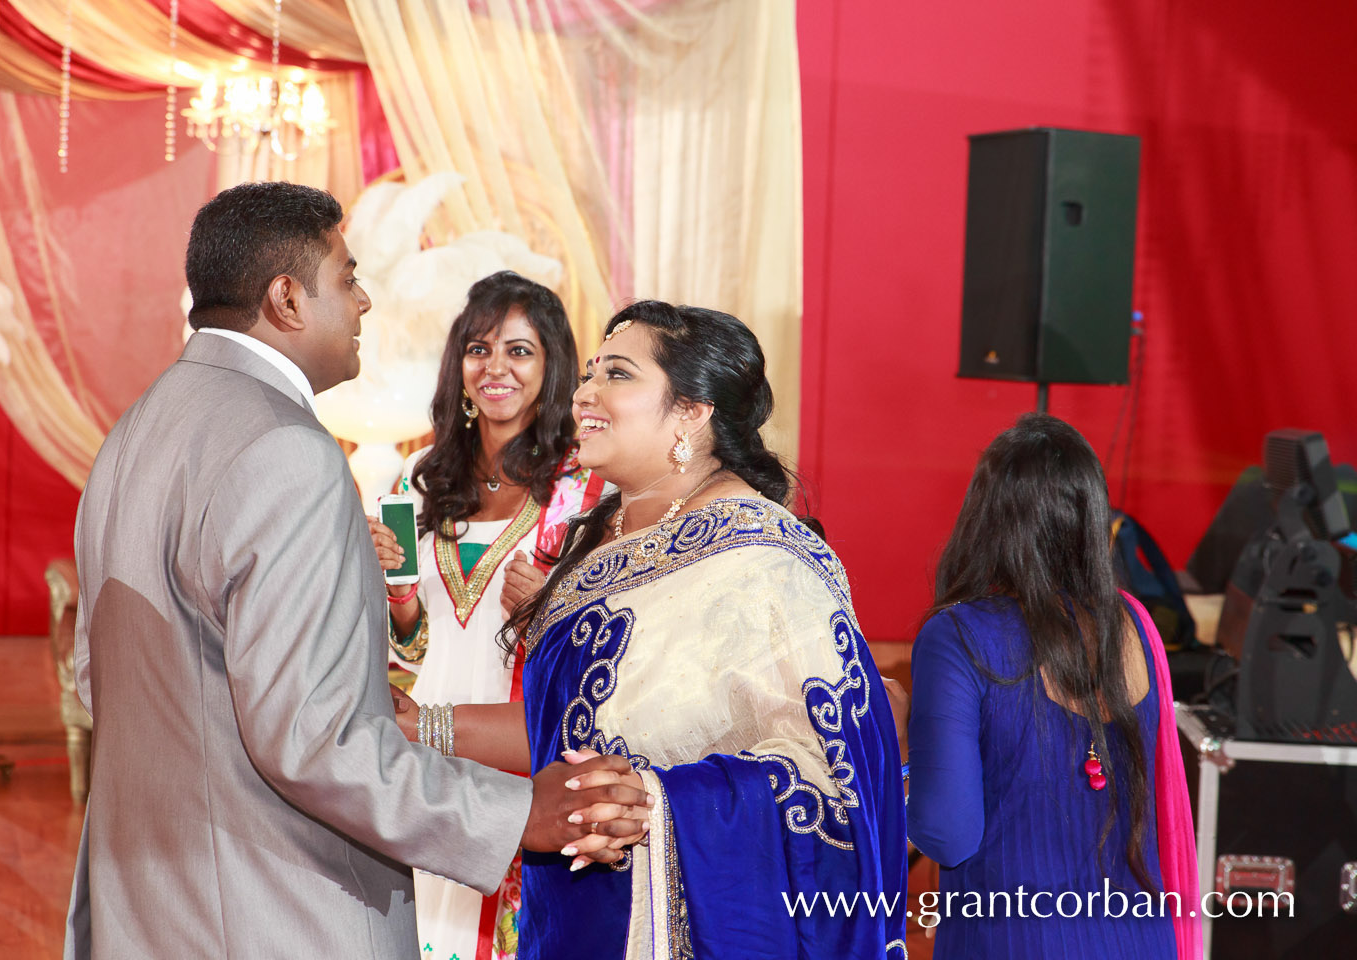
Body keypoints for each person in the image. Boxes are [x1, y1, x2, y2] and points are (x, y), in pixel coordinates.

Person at [63, 181, 648, 960]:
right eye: (346, 277)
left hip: (150, 897)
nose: (366, 301)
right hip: (272, 904)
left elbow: (98, 678)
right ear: (286, 299)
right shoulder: (286, 450)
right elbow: (315, 740)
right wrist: (516, 816)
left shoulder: (133, 433)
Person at [396, 300, 909, 958]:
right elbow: (570, 739)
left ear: (692, 412)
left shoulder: (762, 565)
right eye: (587, 374)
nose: (584, 393)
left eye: (616, 374)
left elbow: (838, 777)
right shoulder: (609, 543)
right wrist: (424, 726)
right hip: (575, 915)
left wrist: (661, 803)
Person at [368, 270, 607, 959]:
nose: (495, 368)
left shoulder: (585, 490)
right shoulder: (414, 481)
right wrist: (396, 595)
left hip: (516, 756)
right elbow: (406, 653)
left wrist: (551, 607)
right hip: (420, 752)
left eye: (519, 351)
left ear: (552, 364)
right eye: (479, 349)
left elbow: (611, 652)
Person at [905, 413, 1200, 960]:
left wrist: (900, 746)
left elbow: (947, 834)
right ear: (1091, 518)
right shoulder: (1136, 626)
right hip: (1140, 943)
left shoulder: (959, 636)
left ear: (984, 517)